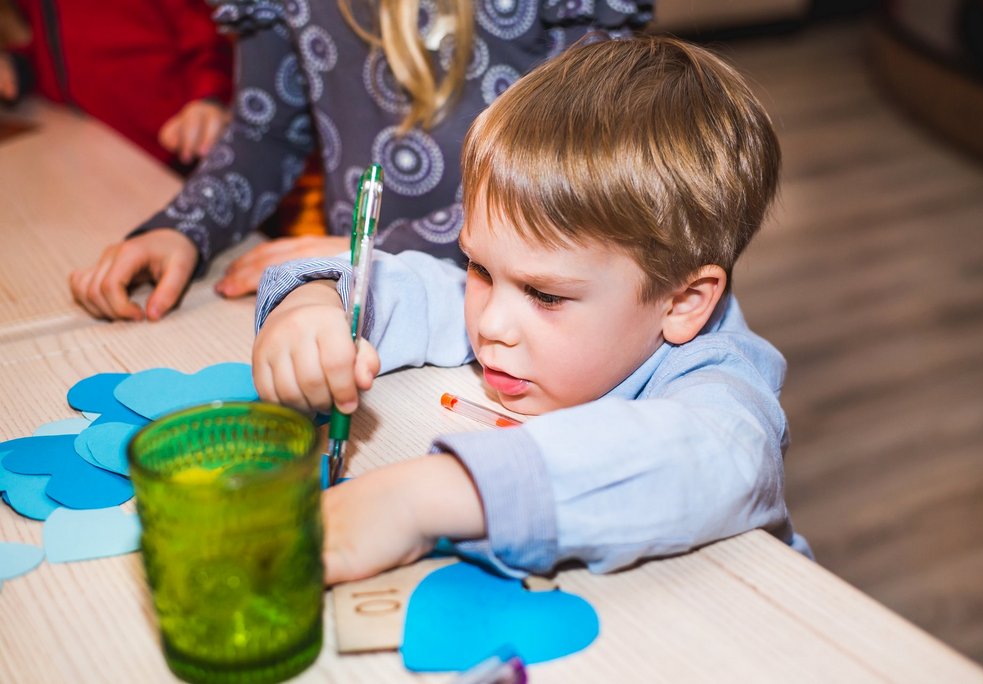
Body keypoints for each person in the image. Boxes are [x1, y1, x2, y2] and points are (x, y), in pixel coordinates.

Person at [251, 35, 812, 583]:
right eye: (479, 268)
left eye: (544, 295)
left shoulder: (720, 374)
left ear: (683, 303)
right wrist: (314, 303)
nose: (490, 323)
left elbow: (718, 458)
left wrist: (424, 498)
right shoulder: (522, 307)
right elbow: (420, 289)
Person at [67, 0, 653, 322]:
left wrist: (382, 249)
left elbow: (588, 166)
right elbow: (266, 132)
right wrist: (185, 228)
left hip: (543, 310)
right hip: (364, 302)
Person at [0, 0, 232, 168]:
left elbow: (208, 41)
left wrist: (209, 97)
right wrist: (20, 67)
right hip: (86, 146)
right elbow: (59, 48)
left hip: (168, 152)